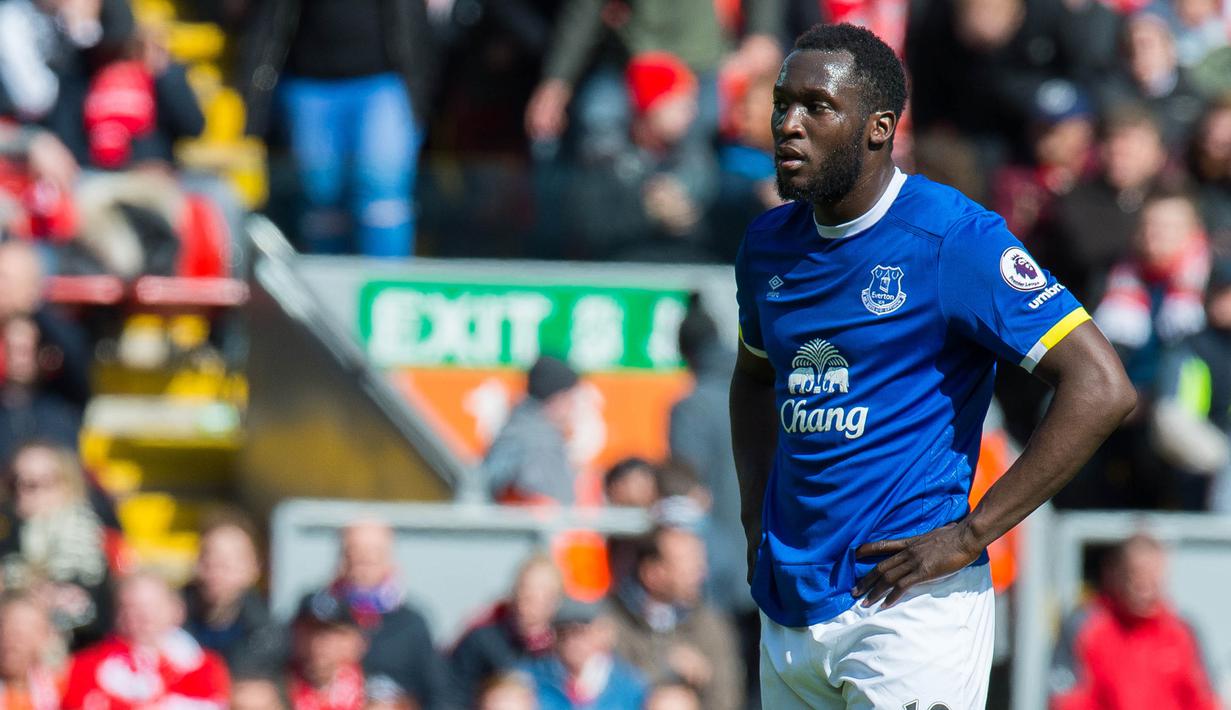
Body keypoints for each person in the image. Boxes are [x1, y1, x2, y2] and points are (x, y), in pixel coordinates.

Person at [730, 23, 1135, 708]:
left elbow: (1100, 386)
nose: (788, 124)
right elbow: (753, 376)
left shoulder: (954, 238)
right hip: (790, 604)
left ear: (879, 127)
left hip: (908, 611)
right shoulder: (768, 244)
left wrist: (970, 534)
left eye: (816, 106)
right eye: (781, 104)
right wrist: (754, 522)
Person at [240, 0, 436, 257]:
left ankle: (387, 276)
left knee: (382, 190)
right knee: (322, 196)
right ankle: (329, 276)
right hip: (309, 86)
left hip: (382, 82)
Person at [1049, 535, 1220, 710]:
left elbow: (1204, 699)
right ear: (1115, 574)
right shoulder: (1084, 626)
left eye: (1152, 580)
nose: (1144, 589)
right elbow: (1067, 699)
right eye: (1135, 577)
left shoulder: (1183, 631)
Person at [605, 527, 742, 710]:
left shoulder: (710, 624)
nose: (702, 573)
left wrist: (704, 678)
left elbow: (728, 696)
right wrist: (665, 668)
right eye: (689, 565)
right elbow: (605, 688)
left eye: (700, 563)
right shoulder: (613, 620)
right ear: (652, 573)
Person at [326, 519, 451, 709]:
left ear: (388, 560)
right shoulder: (319, 617)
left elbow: (440, 694)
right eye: (353, 552)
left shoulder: (412, 624)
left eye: (373, 554)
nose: (362, 561)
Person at [62, 572, 230, 709]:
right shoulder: (85, 667)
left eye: (153, 607)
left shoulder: (203, 667)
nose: (145, 617)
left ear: (177, 610)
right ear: (117, 615)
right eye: (132, 608)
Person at [0, 441, 111, 648]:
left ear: (66, 485)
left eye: (34, 484)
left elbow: (94, 615)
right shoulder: (7, 534)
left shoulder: (88, 541)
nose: (22, 492)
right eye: (14, 483)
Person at [183, 513, 286, 676]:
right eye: (207, 559)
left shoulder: (269, 637)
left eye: (227, 563)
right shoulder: (169, 621)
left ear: (255, 568)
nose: (215, 571)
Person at [450, 555, 562, 704]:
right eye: (525, 589)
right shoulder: (482, 642)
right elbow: (454, 695)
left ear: (556, 601)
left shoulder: (562, 650)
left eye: (543, 592)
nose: (532, 598)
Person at [479, 355, 582, 505]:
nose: (573, 407)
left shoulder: (520, 427)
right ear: (556, 398)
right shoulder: (535, 437)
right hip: (531, 520)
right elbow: (538, 499)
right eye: (570, 398)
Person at [521, 599, 646, 710]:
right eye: (563, 633)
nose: (572, 642)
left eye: (580, 632)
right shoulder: (531, 680)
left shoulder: (631, 687)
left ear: (603, 633)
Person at [288, 590, 368, 710]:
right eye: (309, 631)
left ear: (354, 640)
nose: (317, 642)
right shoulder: (274, 693)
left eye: (329, 633)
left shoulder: (374, 697)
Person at [0, 593, 61, 710]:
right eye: (4, 629)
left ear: (45, 636)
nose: (9, 641)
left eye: (19, 634)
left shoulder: (58, 687)